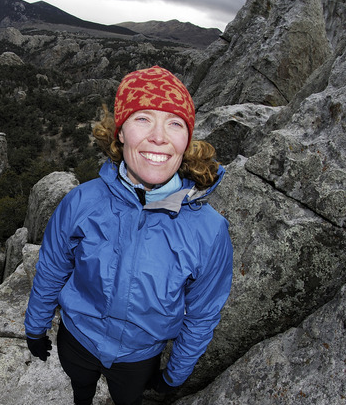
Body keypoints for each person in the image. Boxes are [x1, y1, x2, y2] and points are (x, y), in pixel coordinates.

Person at [24, 65, 233, 405]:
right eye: (143, 119)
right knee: (81, 390)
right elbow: (52, 268)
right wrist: (35, 326)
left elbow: (202, 313)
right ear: (120, 133)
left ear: (186, 141)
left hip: (138, 358)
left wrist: (175, 373)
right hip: (78, 339)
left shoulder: (208, 231)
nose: (159, 136)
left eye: (174, 123)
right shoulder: (82, 202)